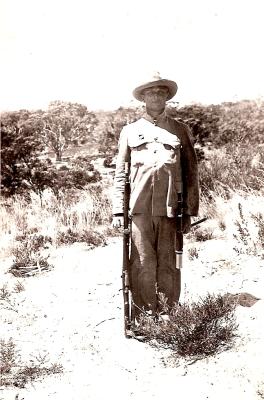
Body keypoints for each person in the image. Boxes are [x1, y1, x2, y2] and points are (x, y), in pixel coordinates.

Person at [112, 73, 199, 320]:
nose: (156, 97)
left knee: (169, 263)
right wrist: (118, 210)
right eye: (150, 93)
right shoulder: (129, 131)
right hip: (138, 209)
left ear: (167, 98)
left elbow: (192, 173)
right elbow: (120, 173)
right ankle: (144, 313)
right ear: (143, 98)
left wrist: (190, 212)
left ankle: (169, 312)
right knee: (141, 262)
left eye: (160, 93)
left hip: (172, 208)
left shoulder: (179, 130)